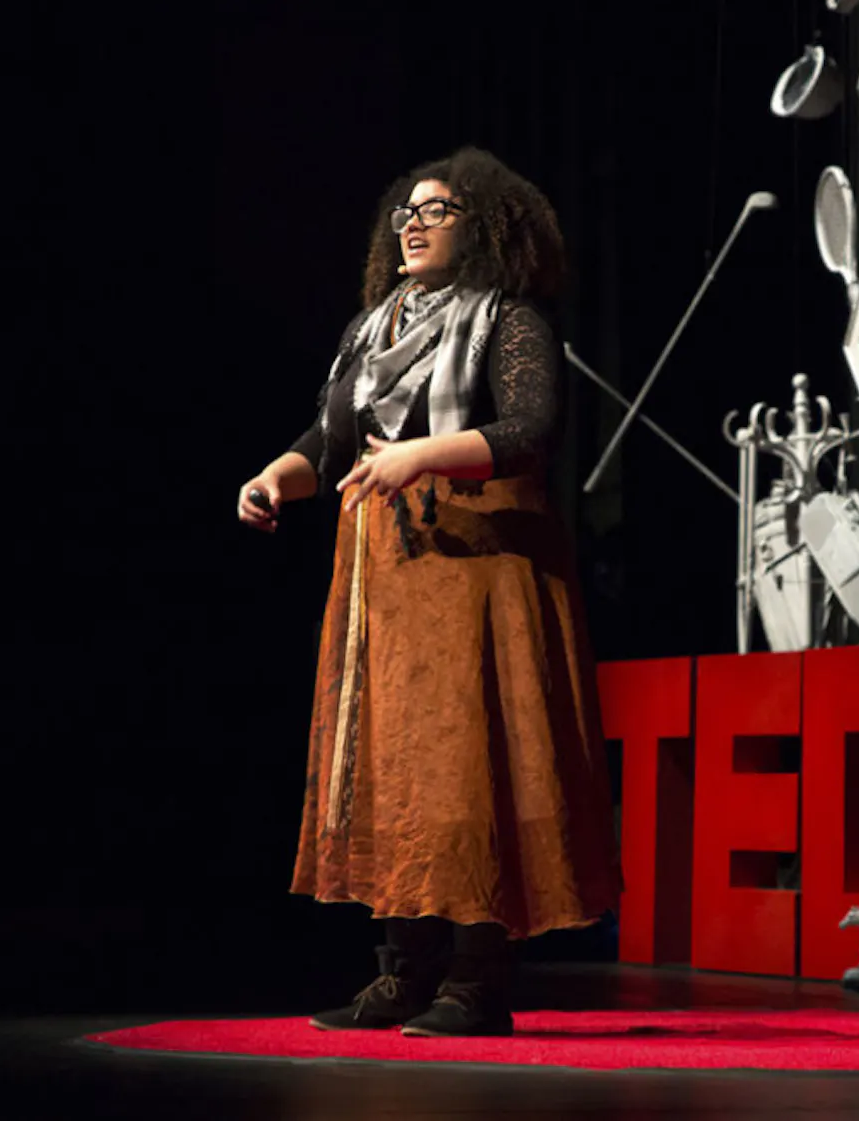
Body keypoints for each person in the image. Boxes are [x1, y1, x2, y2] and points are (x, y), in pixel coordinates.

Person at [236, 147, 620, 1038]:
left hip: (479, 566)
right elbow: (333, 440)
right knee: (392, 770)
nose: (413, 224)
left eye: (437, 210)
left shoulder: (508, 319)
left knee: (471, 772)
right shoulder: (374, 328)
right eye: (406, 212)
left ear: (485, 225)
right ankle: (403, 973)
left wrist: (418, 457)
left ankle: (477, 981)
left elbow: (529, 428)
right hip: (387, 576)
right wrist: (275, 476)